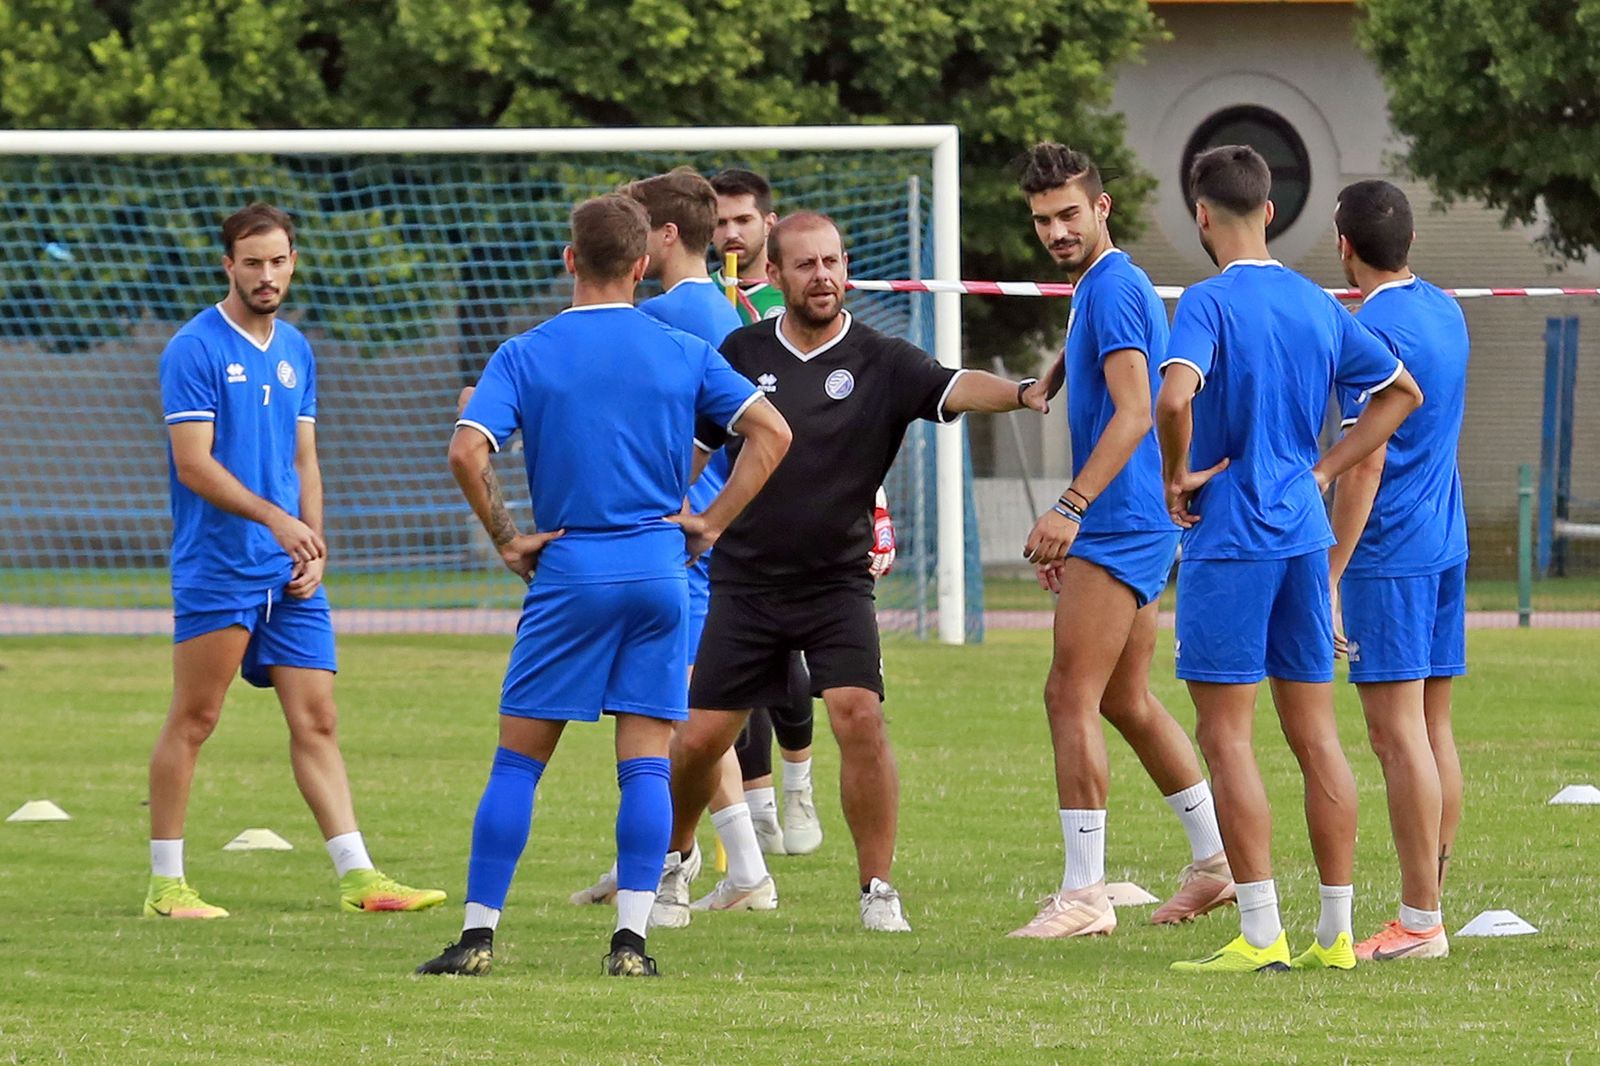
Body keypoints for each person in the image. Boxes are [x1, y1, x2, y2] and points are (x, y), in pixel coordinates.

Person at [415, 194, 791, 978]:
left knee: (519, 764)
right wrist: (711, 522)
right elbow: (773, 433)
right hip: (659, 569)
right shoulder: (679, 349)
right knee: (647, 764)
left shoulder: (525, 352)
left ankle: (479, 937)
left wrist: (508, 537)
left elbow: (464, 452)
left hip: (571, 570)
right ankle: (630, 943)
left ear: (569, 260)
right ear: (643, 265)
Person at [657, 211, 1046, 932]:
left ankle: (877, 891)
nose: (824, 277)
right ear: (774, 275)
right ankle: (676, 863)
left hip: (837, 582)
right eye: (805, 265)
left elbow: (956, 386)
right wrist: (660, 511)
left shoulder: (883, 360)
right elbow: (698, 447)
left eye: (833, 262)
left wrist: (1024, 393)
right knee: (700, 741)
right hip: (744, 582)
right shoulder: (740, 352)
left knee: (858, 715)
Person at [1155, 146, 1424, 974]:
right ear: (1270, 211)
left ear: (1203, 215)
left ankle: (1263, 930)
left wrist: (1175, 473)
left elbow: (1172, 395)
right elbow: (1401, 392)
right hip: (1305, 537)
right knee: (1317, 738)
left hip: (1232, 536)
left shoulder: (1204, 301)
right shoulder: (1319, 303)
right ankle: (1337, 934)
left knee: (1227, 736)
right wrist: (1323, 471)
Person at [148, 203, 445, 920]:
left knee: (317, 719)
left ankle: (359, 876)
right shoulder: (194, 348)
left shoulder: (297, 350)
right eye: (252, 262)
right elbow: (194, 466)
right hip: (222, 565)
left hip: (290, 572)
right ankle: (166, 884)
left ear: (293, 261)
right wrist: (277, 521)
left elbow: (304, 456)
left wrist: (312, 540)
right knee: (196, 716)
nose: (266, 274)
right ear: (229, 266)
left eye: (278, 260)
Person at [1009, 143, 1234, 939]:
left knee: (1068, 695)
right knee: (1122, 700)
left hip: (1118, 519)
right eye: (1043, 219)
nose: (1056, 230)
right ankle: (1216, 862)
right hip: (1130, 518)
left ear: (1101, 207)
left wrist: (1069, 508)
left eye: (1070, 213)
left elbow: (1137, 409)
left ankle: (1084, 894)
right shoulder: (1103, 285)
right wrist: (1048, 381)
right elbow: (1104, 361)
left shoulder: (1111, 288)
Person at [567, 166, 782, 915]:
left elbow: (734, 431)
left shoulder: (686, 317)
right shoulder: (698, 309)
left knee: (675, 714)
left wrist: (682, 496)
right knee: (679, 713)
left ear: (663, 236)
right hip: (680, 541)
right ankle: (724, 867)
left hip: (683, 543)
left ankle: (678, 866)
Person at [710, 167, 896, 856]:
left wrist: (876, 511)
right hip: (721, 529)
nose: (730, 233)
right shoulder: (710, 309)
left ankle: (794, 791)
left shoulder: (785, 311)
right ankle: (737, 835)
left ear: (767, 228)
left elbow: (842, 432)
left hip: (817, 549)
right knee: (711, 703)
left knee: (804, 679)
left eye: (742, 221)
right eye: (719, 223)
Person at [1329, 180, 1468, 963]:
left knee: (1395, 738)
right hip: (1444, 545)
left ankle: (1420, 924)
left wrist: (1330, 572)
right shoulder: (1446, 308)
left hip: (1390, 555)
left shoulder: (1369, 329)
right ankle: (1429, 906)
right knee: (1433, 729)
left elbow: (1366, 460)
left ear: (1344, 246)